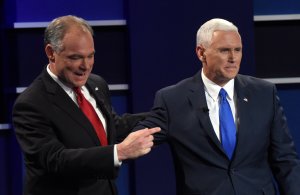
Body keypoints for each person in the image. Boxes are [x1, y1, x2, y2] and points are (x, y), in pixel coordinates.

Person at [134, 18, 300, 194]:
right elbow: (135, 139)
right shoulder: (173, 100)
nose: (233, 58)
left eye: (238, 50)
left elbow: (285, 160)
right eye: (224, 50)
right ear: (201, 53)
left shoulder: (264, 93)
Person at [12, 15, 160, 195]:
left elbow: (112, 127)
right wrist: (118, 152)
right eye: (75, 57)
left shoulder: (96, 84)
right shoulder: (31, 104)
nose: (86, 66)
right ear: (51, 53)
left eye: (90, 56)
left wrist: (164, 115)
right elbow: (56, 159)